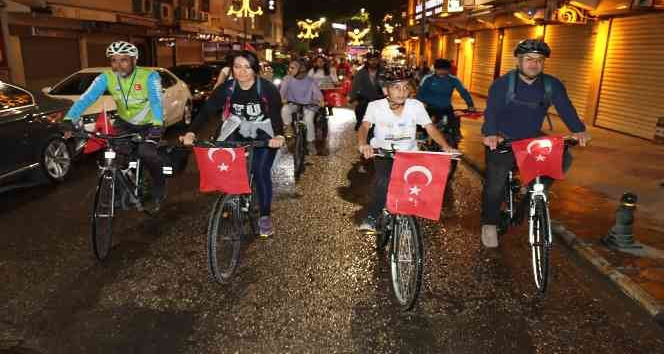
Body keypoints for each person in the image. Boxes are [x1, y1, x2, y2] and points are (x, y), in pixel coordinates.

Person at [480, 39, 590, 248]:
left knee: (563, 156)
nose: (534, 64)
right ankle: (490, 224)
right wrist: (491, 133)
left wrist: (578, 130)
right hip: (504, 139)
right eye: (529, 59)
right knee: (494, 186)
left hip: (530, 140)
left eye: (539, 60)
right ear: (519, 61)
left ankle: (531, 189)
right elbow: (491, 111)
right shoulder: (502, 84)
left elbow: (566, 108)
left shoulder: (552, 85)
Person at [181, 50, 286, 238]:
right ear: (232, 69)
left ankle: (264, 216)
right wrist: (191, 131)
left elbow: (276, 115)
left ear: (255, 69)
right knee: (225, 162)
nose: (242, 71)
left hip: (263, 130)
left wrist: (278, 136)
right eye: (237, 67)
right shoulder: (227, 88)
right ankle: (230, 200)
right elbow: (206, 111)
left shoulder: (267, 88)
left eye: (247, 67)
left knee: (260, 171)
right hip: (236, 127)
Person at [62, 41, 166, 210]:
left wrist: (157, 126)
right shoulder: (106, 78)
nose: (118, 65)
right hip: (125, 122)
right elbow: (86, 98)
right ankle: (118, 191)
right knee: (115, 155)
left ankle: (159, 186)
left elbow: (156, 102)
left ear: (134, 60)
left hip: (150, 123)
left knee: (146, 152)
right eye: (114, 60)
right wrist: (69, 119)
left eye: (123, 60)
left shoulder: (149, 76)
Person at [356, 72, 456, 233]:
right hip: (384, 153)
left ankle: (407, 216)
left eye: (405, 87)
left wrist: (445, 146)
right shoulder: (375, 106)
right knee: (383, 183)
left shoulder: (415, 106)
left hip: (409, 154)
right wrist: (363, 144)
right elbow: (364, 126)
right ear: (386, 91)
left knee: (417, 185)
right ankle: (373, 216)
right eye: (396, 87)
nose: (402, 92)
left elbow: (429, 127)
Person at [417, 58, 475, 148]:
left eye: (445, 70)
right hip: (430, 107)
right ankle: (423, 137)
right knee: (423, 123)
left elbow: (463, 92)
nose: (442, 72)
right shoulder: (428, 79)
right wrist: (420, 104)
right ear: (435, 69)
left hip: (446, 107)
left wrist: (470, 105)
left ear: (449, 70)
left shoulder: (454, 80)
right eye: (440, 70)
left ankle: (455, 136)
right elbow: (420, 93)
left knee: (454, 121)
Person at [280, 59, 324, 155]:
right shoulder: (287, 79)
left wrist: (320, 100)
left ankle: (310, 142)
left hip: (309, 105)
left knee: (308, 120)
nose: (290, 70)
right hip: (293, 104)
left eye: (293, 68)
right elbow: (282, 92)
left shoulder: (310, 81)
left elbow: (317, 93)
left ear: (302, 69)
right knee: (285, 110)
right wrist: (282, 99)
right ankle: (288, 129)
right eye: (289, 68)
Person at [349, 51, 384, 131]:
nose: (373, 62)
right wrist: (353, 99)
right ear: (367, 60)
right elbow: (354, 85)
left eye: (375, 59)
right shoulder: (361, 72)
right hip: (364, 101)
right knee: (361, 123)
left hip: (380, 101)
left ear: (379, 60)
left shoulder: (384, 72)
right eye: (371, 60)